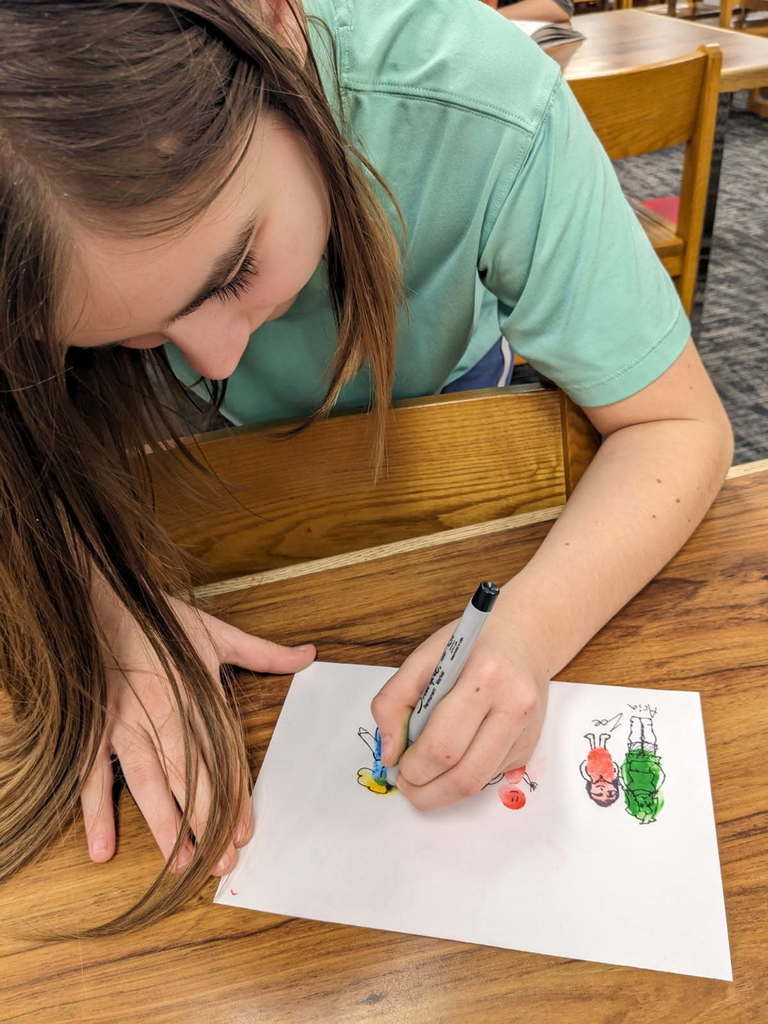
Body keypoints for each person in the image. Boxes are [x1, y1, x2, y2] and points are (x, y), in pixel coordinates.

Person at [0, 0, 732, 933]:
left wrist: (531, 630)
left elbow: (676, 423)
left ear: (277, 27)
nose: (217, 359)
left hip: (456, 445)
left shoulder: (478, 100)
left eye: (234, 270)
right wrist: (106, 607)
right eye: (129, 337)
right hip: (183, 512)